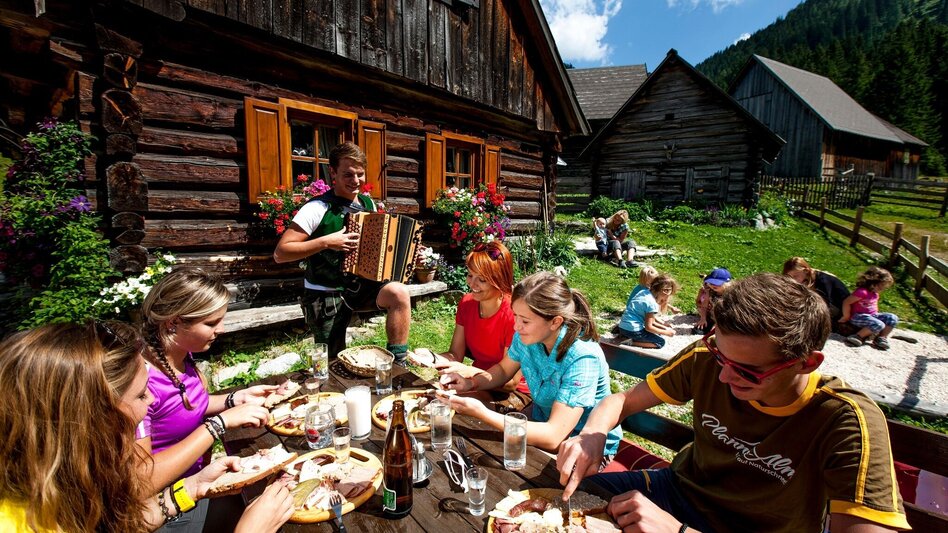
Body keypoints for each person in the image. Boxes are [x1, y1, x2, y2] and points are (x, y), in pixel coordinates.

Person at [557, 273, 909, 533]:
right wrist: (593, 434)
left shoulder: (846, 421)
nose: (724, 377)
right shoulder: (706, 360)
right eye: (720, 355)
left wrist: (679, 532)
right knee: (555, 502)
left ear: (808, 363)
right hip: (678, 493)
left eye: (749, 371)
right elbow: (619, 401)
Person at [0, 321, 293, 533]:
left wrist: (192, 487)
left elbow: (118, 524)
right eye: (141, 395)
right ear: (90, 418)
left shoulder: (67, 483)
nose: (152, 399)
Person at [139, 267, 276, 527]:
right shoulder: (142, 383)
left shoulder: (179, 354)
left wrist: (233, 399)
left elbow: (185, 406)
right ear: (173, 323)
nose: (221, 329)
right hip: (165, 509)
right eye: (211, 323)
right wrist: (218, 425)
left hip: (197, 483)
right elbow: (142, 480)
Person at [441, 272, 622, 457]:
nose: (516, 326)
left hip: (582, 449)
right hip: (539, 423)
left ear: (555, 322)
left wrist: (481, 412)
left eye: (525, 320)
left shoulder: (582, 359)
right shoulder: (529, 336)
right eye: (515, 316)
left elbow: (553, 436)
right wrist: (470, 383)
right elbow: (503, 370)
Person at [274, 142, 412, 362]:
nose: (355, 181)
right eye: (348, 174)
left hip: (359, 286)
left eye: (360, 174)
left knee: (399, 293)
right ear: (333, 173)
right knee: (332, 360)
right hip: (324, 292)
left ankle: (398, 362)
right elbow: (281, 253)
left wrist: (411, 252)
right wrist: (326, 242)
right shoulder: (316, 208)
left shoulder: (369, 205)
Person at [433, 241, 528, 395]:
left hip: (513, 391)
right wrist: (432, 358)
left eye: (482, 279)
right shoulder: (467, 303)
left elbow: (510, 382)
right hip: (475, 381)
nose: (472, 283)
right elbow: (456, 355)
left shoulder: (514, 315)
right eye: (470, 275)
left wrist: (469, 374)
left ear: (500, 280)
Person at [841, 266, 899, 351]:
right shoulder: (862, 292)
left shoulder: (874, 293)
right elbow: (846, 302)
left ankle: (881, 338)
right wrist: (846, 316)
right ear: (873, 283)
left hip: (871, 316)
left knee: (892, 318)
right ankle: (858, 336)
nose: (882, 289)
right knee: (879, 324)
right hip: (858, 316)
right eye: (880, 287)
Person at [782, 256, 850, 329]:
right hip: (829, 305)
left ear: (806, 271)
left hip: (842, 309)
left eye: (795, 276)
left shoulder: (822, 281)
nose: (793, 280)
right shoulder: (806, 279)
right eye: (790, 277)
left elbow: (825, 304)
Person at [615, 274, 679, 349]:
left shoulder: (643, 292)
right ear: (664, 291)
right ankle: (629, 342)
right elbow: (649, 327)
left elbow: (651, 321)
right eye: (668, 292)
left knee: (655, 334)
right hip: (633, 330)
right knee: (660, 342)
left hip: (622, 326)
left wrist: (664, 327)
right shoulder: (652, 304)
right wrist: (667, 333)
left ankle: (624, 336)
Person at [692, 267, 731, 335]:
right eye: (711, 282)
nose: (713, 285)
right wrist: (703, 318)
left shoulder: (730, 293)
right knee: (698, 331)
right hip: (712, 314)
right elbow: (704, 305)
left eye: (717, 283)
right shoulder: (710, 291)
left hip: (725, 316)